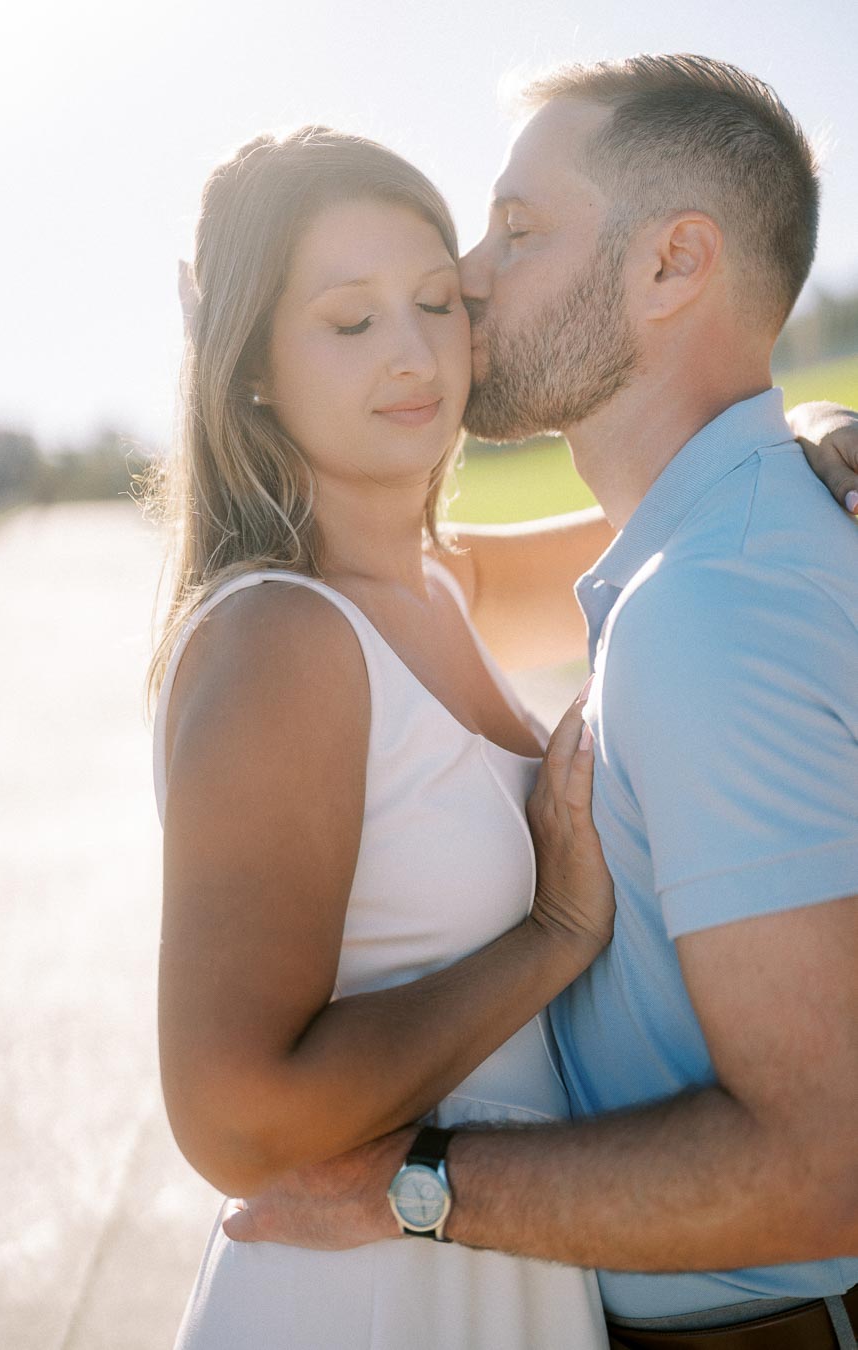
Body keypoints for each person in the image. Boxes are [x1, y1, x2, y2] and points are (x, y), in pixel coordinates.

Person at [219, 55, 858, 1350]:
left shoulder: (706, 606)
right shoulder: (732, 541)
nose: (465, 276)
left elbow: (819, 1159)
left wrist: (416, 1184)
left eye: (517, 230)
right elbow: (429, 583)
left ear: (675, 265)